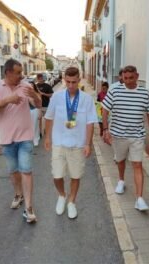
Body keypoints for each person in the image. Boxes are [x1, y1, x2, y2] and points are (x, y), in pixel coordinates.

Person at [0, 58, 41, 223]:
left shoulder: (25, 86)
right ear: (8, 72)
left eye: (21, 72)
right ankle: (18, 194)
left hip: (25, 137)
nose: (21, 75)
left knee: (26, 170)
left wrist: (35, 95)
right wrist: (7, 100)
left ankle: (29, 208)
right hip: (6, 139)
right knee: (13, 171)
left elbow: (38, 104)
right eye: (17, 73)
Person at [44, 66, 98, 219]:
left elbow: (90, 122)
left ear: (79, 80)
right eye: (68, 82)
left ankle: (71, 202)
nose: (71, 85)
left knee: (76, 175)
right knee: (57, 175)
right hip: (59, 142)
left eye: (74, 82)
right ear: (64, 80)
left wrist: (88, 143)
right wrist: (47, 137)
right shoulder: (57, 97)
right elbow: (49, 117)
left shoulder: (87, 99)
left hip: (78, 144)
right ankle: (62, 195)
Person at [102, 65, 149, 211]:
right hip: (118, 134)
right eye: (125, 78)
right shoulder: (115, 90)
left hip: (137, 135)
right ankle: (121, 180)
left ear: (137, 76)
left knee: (137, 164)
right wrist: (105, 129)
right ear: (122, 77)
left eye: (131, 78)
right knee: (120, 160)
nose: (128, 81)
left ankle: (139, 199)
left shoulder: (145, 93)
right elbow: (105, 110)